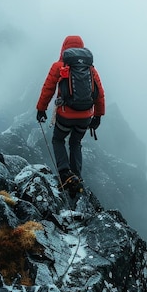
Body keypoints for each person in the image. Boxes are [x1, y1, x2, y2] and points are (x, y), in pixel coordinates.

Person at [36, 35, 105, 193]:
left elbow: (48, 89)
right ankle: (77, 177)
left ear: (64, 48)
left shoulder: (58, 66)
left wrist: (41, 109)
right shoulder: (90, 68)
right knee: (75, 143)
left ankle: (65, 173)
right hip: (86, 116)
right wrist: (98, 116)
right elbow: (100, 93)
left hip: (65, 115)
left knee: (58, 139)